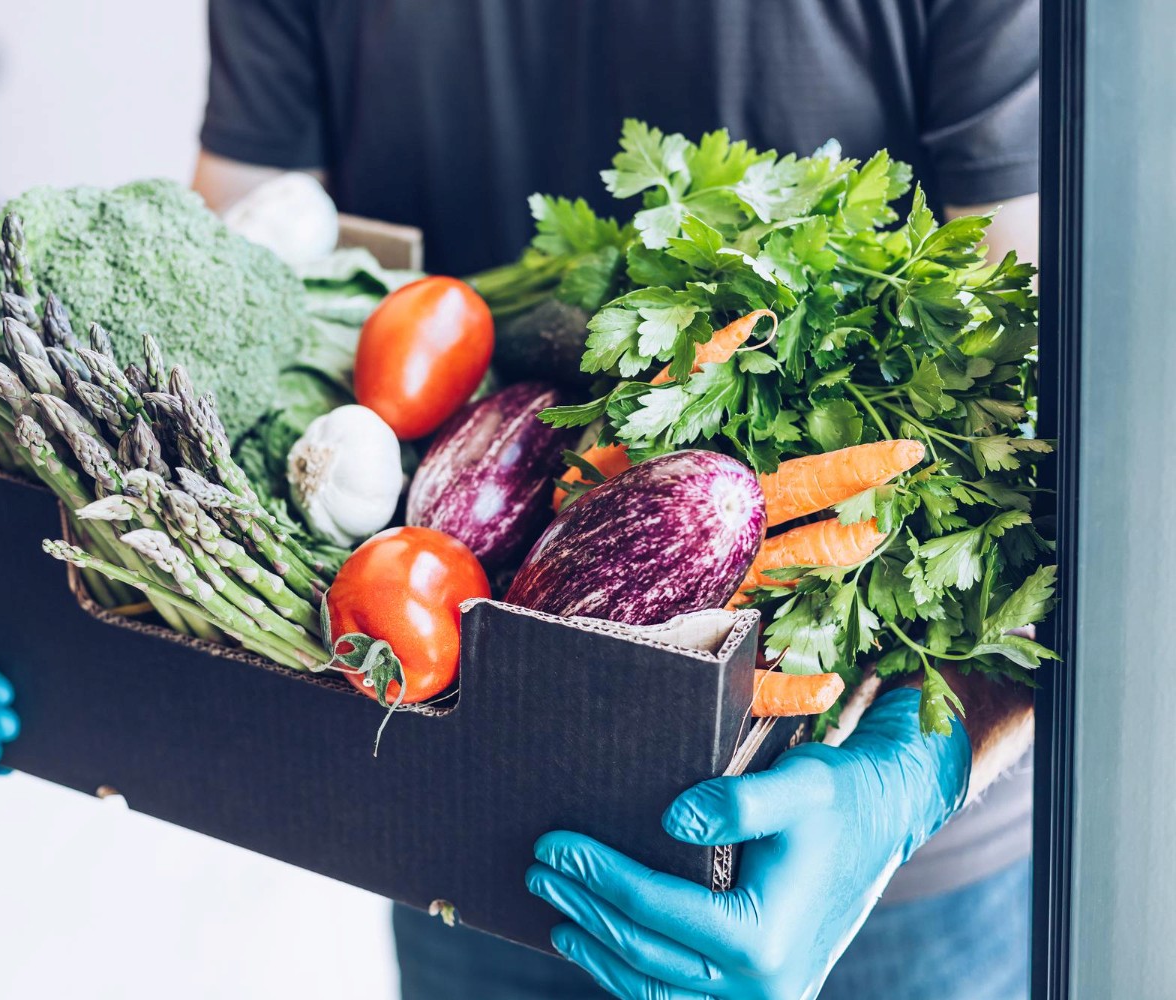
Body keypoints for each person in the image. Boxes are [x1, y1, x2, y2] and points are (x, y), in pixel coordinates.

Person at [187, 2, 1041, 998]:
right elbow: (239, 271)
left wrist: (917, 773)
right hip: (477, 817)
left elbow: (1064, 418)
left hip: (856, 877)